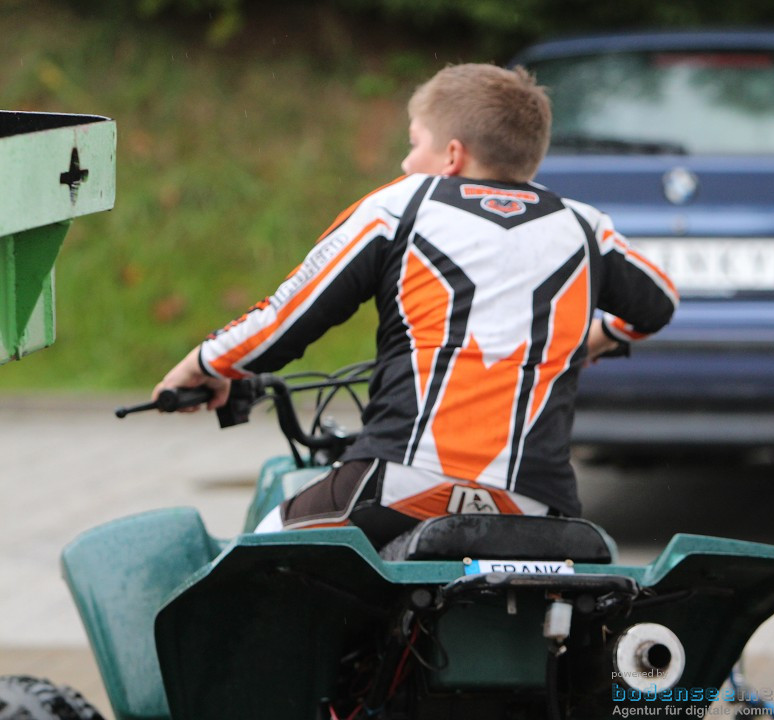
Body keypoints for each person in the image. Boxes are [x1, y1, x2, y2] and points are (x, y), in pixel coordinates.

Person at [153, 63, 679, 547]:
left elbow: (284, 321)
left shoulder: (401, 205)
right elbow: (659, 302)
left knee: (260, 553)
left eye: (413, 143)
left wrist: (203, 366)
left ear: (451, 156)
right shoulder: (585, 227)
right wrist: (600, 337)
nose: (406, 161)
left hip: (405, 479)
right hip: (536, 502)